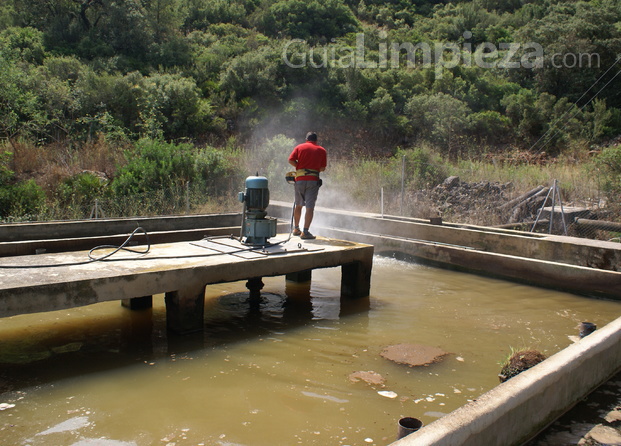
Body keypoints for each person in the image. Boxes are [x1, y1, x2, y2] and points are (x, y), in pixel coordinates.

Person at [288, 131, 327, 239]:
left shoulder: (300, 147)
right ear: (316, 140)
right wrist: (313, 169)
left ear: (306, 140)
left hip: (299, 180)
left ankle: (296, 229)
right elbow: (323, 168)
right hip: (313, 181)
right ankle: (305, 232)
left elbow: (290, 160)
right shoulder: (321, 150)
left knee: (298, 205)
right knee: (309, 207)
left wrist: (299, 167)